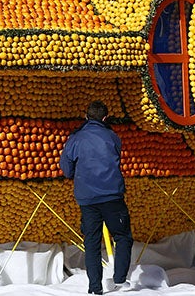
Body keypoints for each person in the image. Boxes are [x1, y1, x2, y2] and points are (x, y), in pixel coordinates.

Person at [60, 101, 134, 294]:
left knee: (92, 242)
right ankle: (120, 280)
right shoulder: (112, 137)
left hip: (88, 199)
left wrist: (77, 174)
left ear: (86, 117)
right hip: (112, 196)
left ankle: (95, 288)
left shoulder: (76, 138)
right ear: (105, 118)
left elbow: (66, 168)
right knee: (122, 237)